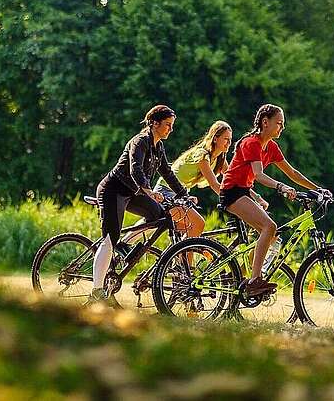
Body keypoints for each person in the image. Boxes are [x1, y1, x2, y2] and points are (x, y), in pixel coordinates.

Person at [91, 105, 190, 307]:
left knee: (159, 215)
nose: (171, 129)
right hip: (113, 190)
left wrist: (184, 195)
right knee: (109, 238)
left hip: (133, 193)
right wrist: (148, 190)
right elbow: (135, 168)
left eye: (172, 126)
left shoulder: (159, 147)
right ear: (154, 123)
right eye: (168, 125)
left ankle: (124, 243)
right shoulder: (140, 141)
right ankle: (96, 291)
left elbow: (168, 173)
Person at [220, 104, 323, 298]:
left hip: (244, 192)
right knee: (270, 226)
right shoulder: (251, 143)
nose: (282, 128)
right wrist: (281, 187)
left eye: (283, 124)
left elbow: (292, 173)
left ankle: (241, 276)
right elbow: (258, 175)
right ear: (265, 122)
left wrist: (317, 190)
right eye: (279, 123)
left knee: (271, 236)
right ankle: (254, 281)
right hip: (233, 192)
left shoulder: (272, 147)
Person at [155, 120, 234, 238]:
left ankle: (178, 256)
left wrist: (255, 199)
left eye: (230, 140)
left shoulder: (219, 159)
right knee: (197, 224)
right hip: (166, 190)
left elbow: (233, 180)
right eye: (226, 139)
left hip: (179, 194)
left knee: (188, 235)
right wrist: (233, 203)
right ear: (215, 139)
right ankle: (124, 244)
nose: (229, 143)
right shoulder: (203, 155)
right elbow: (214, 184)